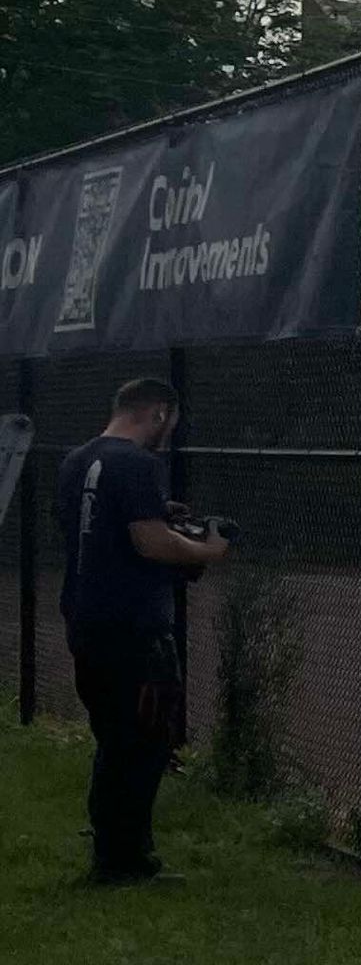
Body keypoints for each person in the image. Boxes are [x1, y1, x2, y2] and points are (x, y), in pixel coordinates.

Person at [59, 376, 227, 884]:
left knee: (113, 736)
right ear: (157, 413)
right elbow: (151, 544)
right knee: (143, 741)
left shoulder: (77, 460)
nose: (167, 435)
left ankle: (114, 848)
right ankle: (124, 860)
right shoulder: (136, 463)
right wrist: (206, 551)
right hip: (133, 626)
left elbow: (89, 526)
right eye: (169, 424)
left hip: (86, 618)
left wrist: (157, 511)